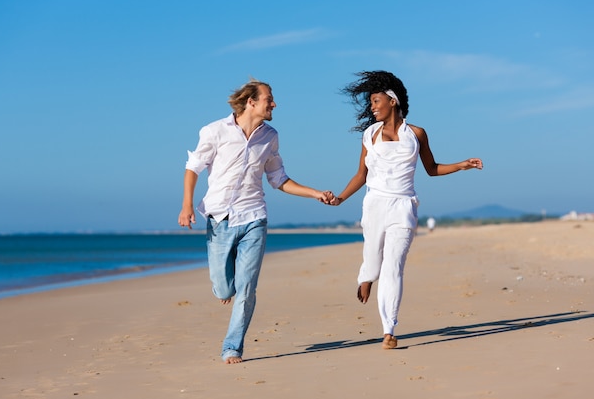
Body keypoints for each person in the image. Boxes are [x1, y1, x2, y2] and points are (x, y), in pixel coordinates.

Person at [178, 79, 333, 364]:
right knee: (225, 288)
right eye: (269, 99)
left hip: (254, 218)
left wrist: (314, 194)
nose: (273, 104)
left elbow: (279, 179)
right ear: (251, 101)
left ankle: (232, 347)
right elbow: (193, 167)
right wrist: (187, 205)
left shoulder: (270, 136)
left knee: (247, 287)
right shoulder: (214, 131)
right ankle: (226, 290)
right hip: (220, 218)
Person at [329, 71, 483, 350]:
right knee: (374, 263)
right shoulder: (369, 135)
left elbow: (432, 169)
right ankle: (366, 276)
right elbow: (360, 175)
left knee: (394, 266)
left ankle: (389, 329)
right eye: (371, 102)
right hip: (375, 205)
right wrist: (340, 198)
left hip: (403, 206)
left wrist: (462, 164)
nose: (372, 107)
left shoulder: (416, 134)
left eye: (376, 101)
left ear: (392, 100)